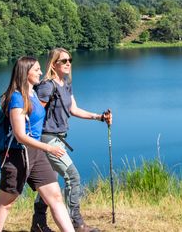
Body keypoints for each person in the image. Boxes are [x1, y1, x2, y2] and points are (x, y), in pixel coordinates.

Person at [0, 56, 75, 232]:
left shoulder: (33, 93)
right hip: (16, 155)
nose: (41, 72)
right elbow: (20, 135)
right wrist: (49, 147)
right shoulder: (16, 98)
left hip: (35, 154)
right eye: (36, 70)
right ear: (25, 72)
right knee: (6, 204)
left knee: (55, 197)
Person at [31, 48, 112, 232]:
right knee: (73, 177)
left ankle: (38, 224)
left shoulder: (65, 83)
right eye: (64, 60)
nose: (68, 63)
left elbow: (73, 109)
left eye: (70, 60)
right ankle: (76, 223)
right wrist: (35, 144)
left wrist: (99, 117)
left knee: (48, 182)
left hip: (58, 139)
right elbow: (35, 114)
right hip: (47, 140)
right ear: (54, 64)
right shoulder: (47, 86)